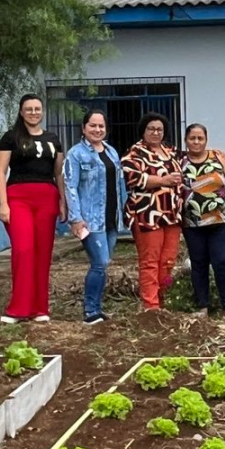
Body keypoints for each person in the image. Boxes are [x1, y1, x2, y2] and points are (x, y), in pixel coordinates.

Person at [0, 93, 66, 323]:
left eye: (37, 109)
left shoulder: (53, 139)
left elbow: (58, 173)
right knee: (23, 250)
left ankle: (40, 309)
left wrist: (63, 202)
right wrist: (3, 203)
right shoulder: (10, 138)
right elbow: (0, 172)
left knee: (42, 254)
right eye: (29, 109)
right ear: (21, 112)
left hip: (47, 198)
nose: (34, 112)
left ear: (42, 111)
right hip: (17, 197)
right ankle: (18, 309)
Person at [62, 110, 127, 326]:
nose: (97, 130)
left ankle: (97, 307)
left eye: (101, 126)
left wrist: (124, 212)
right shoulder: (76, 154)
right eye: (93, 125)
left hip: (110, 218)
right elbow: (70, 187)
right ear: (84, 128)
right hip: (90, 220)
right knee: (99, 263)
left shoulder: (111, 152)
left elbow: (119, 185)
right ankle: (90, 310)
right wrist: (76, 218)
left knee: (103, 264)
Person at [181, 123, 225, 322]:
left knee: (222, 262)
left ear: (206, 140)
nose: (196, 142)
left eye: (200, 138)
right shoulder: (179, 162)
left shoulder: (219, 158)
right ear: (186, 140)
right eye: (192, 138)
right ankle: (202, 306)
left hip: (220, 222)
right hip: (192, 224)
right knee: (198, 264)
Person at [122, 111, 185, 313]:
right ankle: (151, 306)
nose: (155, 132)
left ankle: (162, 299)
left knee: (168, 261)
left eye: (159, 129)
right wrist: (162, 181)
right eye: (151, 129)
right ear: (143, 131)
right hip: (147, 214)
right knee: (150, 261)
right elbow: (132, 178)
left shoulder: (171, 151)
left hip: (172, 214)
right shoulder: (135, 153)